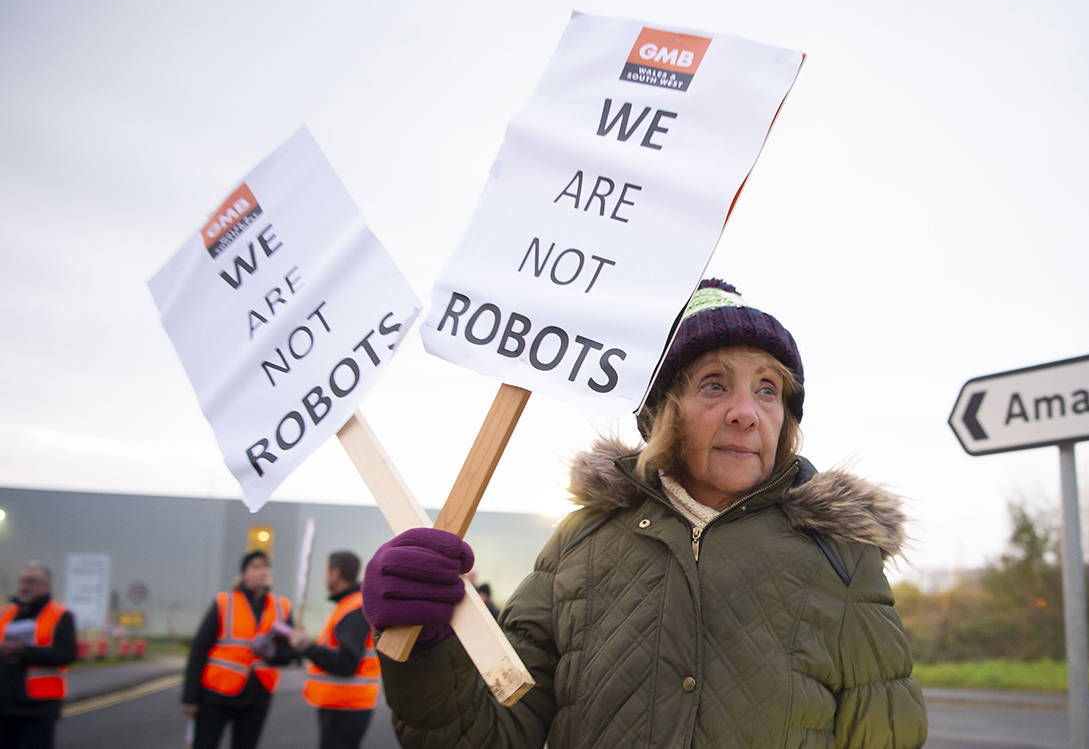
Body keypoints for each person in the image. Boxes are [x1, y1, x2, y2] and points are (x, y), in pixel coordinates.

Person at [363, 279, 929, 747]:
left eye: (767, 390)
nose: (745, 413)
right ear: (660, 412)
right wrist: (428, 650)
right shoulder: (579, 542)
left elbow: (888, 737)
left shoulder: (840, 555)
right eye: (714, 385)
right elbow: (490, 733)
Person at [182, 550, 295, 749]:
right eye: (256, 567)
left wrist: (273, 653)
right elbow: (199, 650)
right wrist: (190, 697)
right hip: (217, 693)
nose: (262, 572)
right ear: (245, 573)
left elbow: (290, 654)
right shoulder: (225, 602)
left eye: (266, 567)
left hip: (257, 695)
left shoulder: (282, 607)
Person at [290, 550, 379, 749]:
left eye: (326, 571)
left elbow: (347, 663)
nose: (325, 577)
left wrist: (306, 647)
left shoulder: (352, 609)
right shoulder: (351, 605)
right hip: (347, 705)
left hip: (345, 706)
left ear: (336, 574)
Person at [0, 562, 77, 749]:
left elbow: (66, 654)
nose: (25, 586)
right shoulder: (6, 614)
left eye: (32, 581)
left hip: (38, 707)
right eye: (23, 581)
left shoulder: (60, 615)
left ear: (46, 586)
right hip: (4, 705)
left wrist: (25, 651)